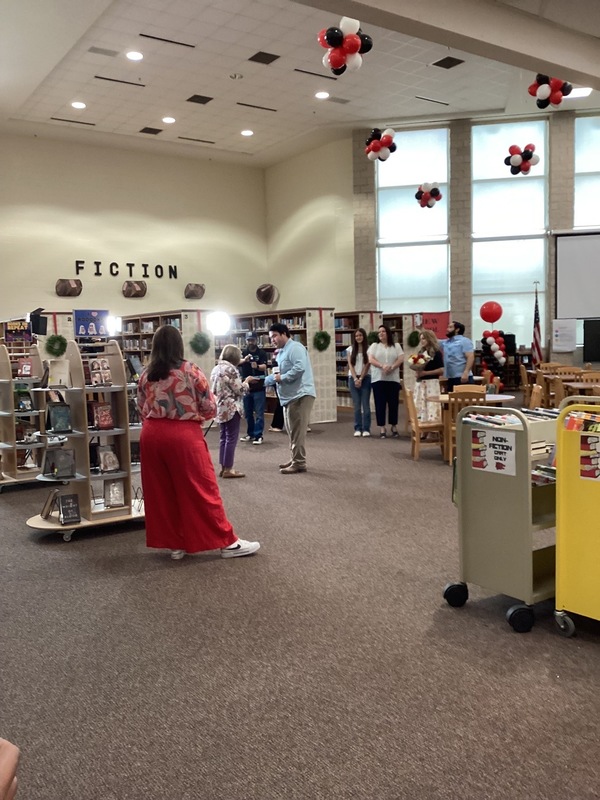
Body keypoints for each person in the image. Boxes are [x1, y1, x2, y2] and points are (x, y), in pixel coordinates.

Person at [137, 325, 260, 559]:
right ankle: (227, 542)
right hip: (183, 435)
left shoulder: (146, 374)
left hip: (151, 435)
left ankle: (175, 543)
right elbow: (209, 406)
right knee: (202, 488)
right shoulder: (190, 370)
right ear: (179, 345)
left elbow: (141, 406)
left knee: (162, 491)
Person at [263, 323, 316, 474]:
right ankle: (295, 457)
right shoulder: (281, 352)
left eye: (274, 335)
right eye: (270, 336)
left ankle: (299, 462)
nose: (272, 339)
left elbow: (299, 368)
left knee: (297, 430)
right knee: (292, 430)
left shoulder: (296, 348)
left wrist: (281, 378)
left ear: (284, 334)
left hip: (300, 394)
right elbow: (278, 373)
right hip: (289, 396)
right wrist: (266, 380)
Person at [210, 344, 250, 479]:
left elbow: (213, 389)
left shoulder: (216, 368)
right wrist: (247, 382)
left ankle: (223, 467)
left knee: (223, 437)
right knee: (232, 438)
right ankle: (229, 469)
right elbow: (240, 390)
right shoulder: (231, 370)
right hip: (232, 407)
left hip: (220, 407)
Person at [368, 324, 404, 438]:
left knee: (393, 403)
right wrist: (382, 366)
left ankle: (394, 426)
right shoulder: (375, 346)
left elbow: (401, 358)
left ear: (388, 333)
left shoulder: (396, 346)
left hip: (393, 379)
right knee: (380, 403)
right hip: (378, 378)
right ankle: (382, 427)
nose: (381, 334)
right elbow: (371, 359)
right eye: (379, 332)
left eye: (383, 331)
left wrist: (392, 367)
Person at [238, 332, 268, 445]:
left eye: (253, 340)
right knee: (248, 412)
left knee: (259, 413)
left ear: (256, 340)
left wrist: (258, 366)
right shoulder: (243, 353)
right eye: (249, 340)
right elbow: (236, 363)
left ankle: (258, 435)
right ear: (246, 341)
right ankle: (250, 434)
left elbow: (265, 366)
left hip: (259, 387)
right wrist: (244, 360)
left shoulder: (262, 353)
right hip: (246, 387)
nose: (251, 342)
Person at [413, 329, 444, 422]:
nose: (422, 341)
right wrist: (417, 371)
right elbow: (417, 366)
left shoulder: (436, 352)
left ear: (429, 339)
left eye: (424, 339)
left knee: (431, 405)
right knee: (421, 404)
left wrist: (426, 373)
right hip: (421, 382)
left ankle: (432, 427)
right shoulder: (421, 352)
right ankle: (422, 427)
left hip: (431, 382)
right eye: (421, 339)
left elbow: (441, 370)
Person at [347, 327, 371, 437]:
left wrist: (361, 378)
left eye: (360, 335)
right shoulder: (350, 349)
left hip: (365, 378)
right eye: (356, 336)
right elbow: (350, 365)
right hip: (353, 378)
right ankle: (357, 428)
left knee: (365, 405)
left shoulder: (369, 349)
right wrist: (355, 379)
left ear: (364, 336)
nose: (358, 337)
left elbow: (367, 365)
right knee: (356, 405)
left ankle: (366, 428)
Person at [443, 320, 475, 390]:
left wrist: (466, 372)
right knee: (451, 399)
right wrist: (421, 330)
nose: (447, 329)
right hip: (451, 377)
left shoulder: (465, 341)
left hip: (462, 377)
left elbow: (470, 357)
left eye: (450, 327)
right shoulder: (446, 342)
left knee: (465, 399)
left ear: (457, 329)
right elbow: (433, 341)